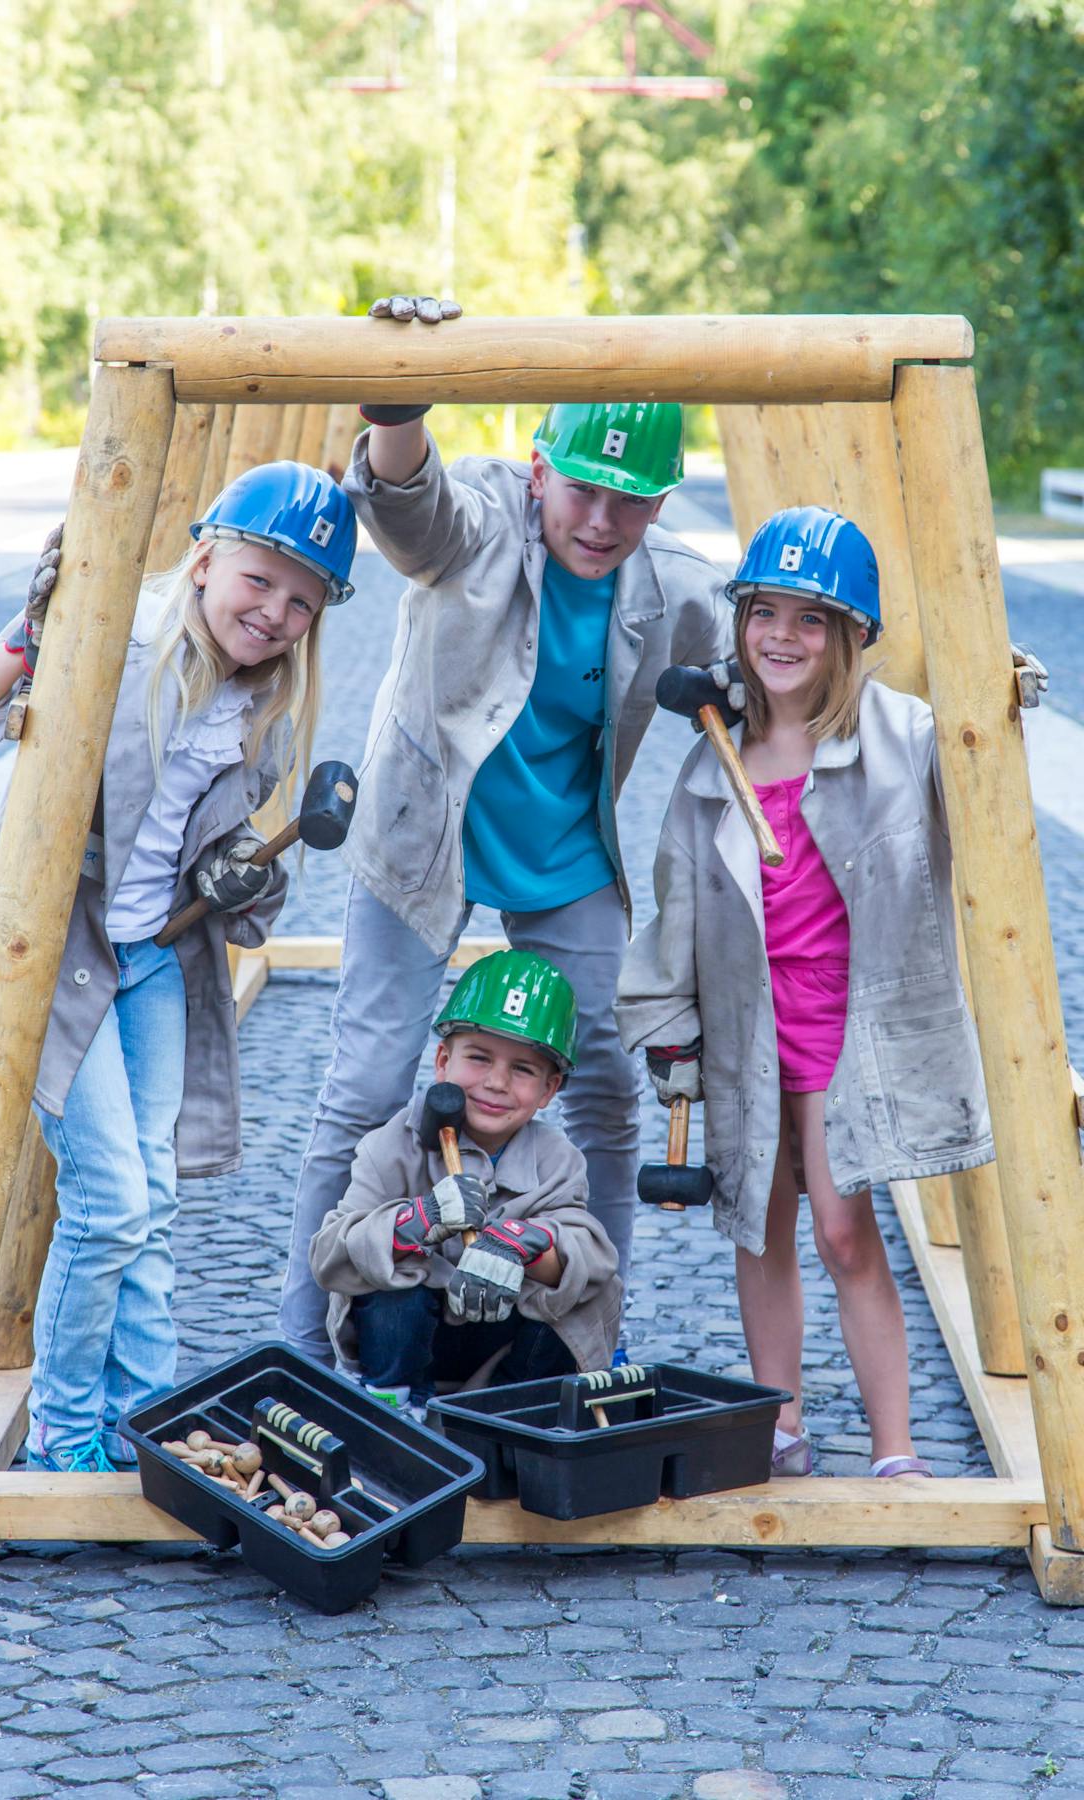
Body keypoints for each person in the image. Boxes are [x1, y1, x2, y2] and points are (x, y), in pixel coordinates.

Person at [279, 292, 732, 1361]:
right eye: (582, 488)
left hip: (563, 853)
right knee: (366, 1087)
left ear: (663, 505)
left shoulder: (674, 586)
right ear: (539, 468)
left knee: (615, 1090)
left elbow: (775, 645)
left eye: (633, 501)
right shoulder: (480, 519)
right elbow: (409, 507)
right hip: (421, 839)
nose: (601, 521)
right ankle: (299, 1344)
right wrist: (398, 400)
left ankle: (590, 1341)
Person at [0, 461, 357, 1473]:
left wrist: (244, 877)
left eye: (304, 601)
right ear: (204, 558)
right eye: (260, 580)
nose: (278, 612)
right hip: (62, 956)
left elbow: (222, 864)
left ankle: (142, 1426)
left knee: (150, 1203)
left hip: (157, 955)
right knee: (112, 1199)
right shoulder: (115, 642)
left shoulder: (261, 705)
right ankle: (70, 1442)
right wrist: (35, 636)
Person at [615, 504, 995, 1479]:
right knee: (760, 1220)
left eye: (810, 619)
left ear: (852, 636)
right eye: (764, 614)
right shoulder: (713, 764)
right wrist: (671, 1034)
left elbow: (971, 730)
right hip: (750, 1025)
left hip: (843, 1027)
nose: (782, 637)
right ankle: (779, 1421)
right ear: (739, 622)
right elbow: (676, 911)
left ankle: (896, 1445)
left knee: (840, 1226)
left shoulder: (894, 738)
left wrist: (1007, 691)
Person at [309, 950, 621, 1409]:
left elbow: (591, 1256)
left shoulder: (558, 1159)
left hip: (499, 1349)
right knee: (391, 1290)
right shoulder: (392, 1144)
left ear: (549, 1089)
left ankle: (518, 1409)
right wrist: (418, 1220)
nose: (496, 1082)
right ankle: (399, 1407)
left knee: (587, 1288)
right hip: (412, 1347)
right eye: (478, 1058)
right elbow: (328, 1255)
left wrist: (525, 1242)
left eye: (523, 1069)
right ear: (442, 1060)